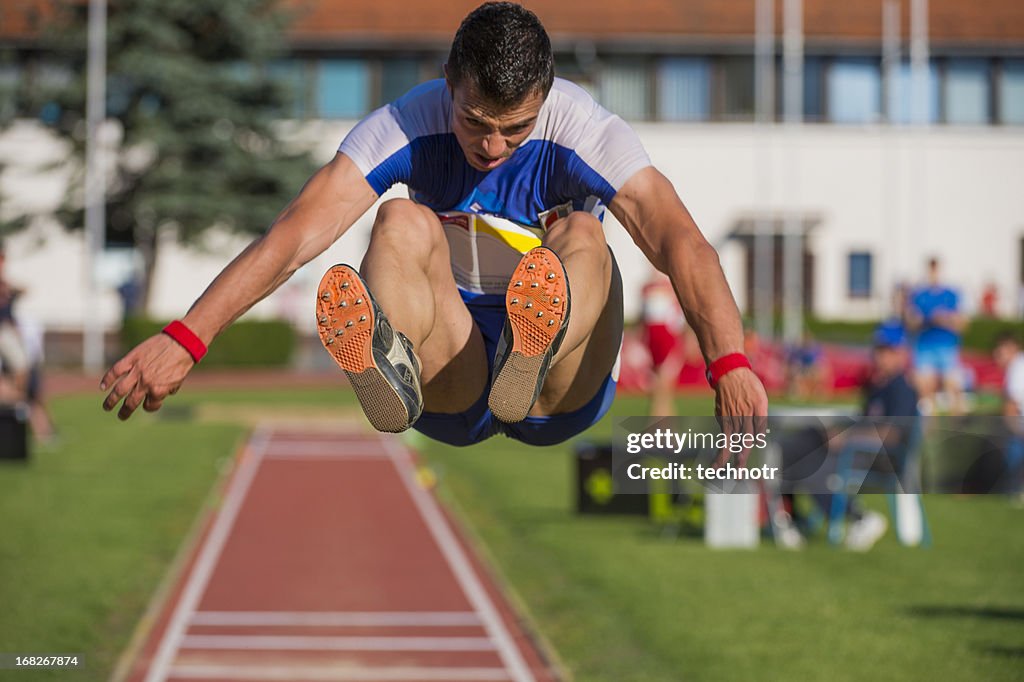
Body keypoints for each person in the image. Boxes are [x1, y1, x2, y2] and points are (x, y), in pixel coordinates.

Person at [101, 3, 767, 450]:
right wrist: (188, 337)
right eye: (476, 123)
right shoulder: (407, 122)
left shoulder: (586, 131)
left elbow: (681, 242)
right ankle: (393, 361)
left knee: (586, 237)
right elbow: (298, 232)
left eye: (517, 129)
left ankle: (532, 350)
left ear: (547, 97)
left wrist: (729, 361)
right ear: (448, 82)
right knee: (397, 219)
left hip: (560, 387)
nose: (495, 147)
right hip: (457, 364)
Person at [905, 257, 966, 415]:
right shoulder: (919, 295)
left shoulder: (951, 294)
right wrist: (927, 320)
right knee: (925, 388)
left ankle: (957, 427)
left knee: (952, 386)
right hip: (925, 346)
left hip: (946, 346)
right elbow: (911, 322)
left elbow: (962, 323)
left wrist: (946, 319)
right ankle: (927, 427)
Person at [640, 270, 686, 416]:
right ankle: (658, 421)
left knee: (665, 383)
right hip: (653, 338)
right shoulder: (646, 288)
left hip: (666, 337)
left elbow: (677, 316)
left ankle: (663, 422)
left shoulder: (670, 287)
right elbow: (643, 317)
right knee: (655, 384)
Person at [992, 330, 1024, 500]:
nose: (997, 355)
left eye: (1000, 350)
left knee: (1013, 459)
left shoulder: (1017, 367)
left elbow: (1011, 407)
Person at [0, 242, 30, 400]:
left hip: (6, 329)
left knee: (21, 367)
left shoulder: (5, 283)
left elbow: (25, 289)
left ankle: (16, 400)